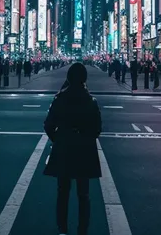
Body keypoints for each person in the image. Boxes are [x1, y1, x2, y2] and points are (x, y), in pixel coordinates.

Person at [44, 63, 102, 235]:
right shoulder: (91, 101)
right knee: (83, 194)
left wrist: (59, 139)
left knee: (63, 192)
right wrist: (85, 139)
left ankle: (62, 229)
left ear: (68, 78)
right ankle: (82, 230)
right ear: (84, 78)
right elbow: (97, 129)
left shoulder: (59, 99)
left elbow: (48, 125)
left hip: (64, 149)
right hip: (84, 151)